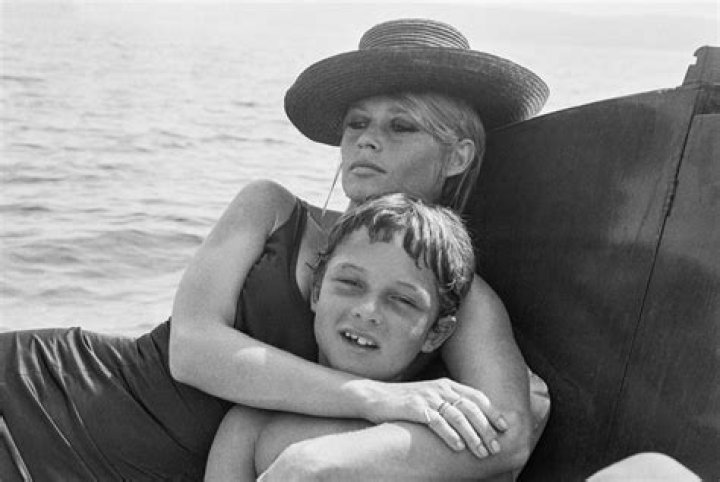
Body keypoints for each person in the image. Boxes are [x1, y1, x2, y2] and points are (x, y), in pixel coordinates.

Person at [0, 18, 550, 481]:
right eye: (357, 123)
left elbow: (506, 436)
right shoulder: (271, 208)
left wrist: (324, 457)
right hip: (45, 397)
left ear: (457, 156)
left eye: (400, 125)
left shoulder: (463, 295)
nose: (366, 139)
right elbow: (192, 350)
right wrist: (374, 397)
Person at [205, 192, 477, 481]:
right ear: (317, 291)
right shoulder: (248, 427)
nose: (367, 311)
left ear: (436, 333)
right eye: (351, 282)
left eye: (402, 300)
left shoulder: (447, 432)